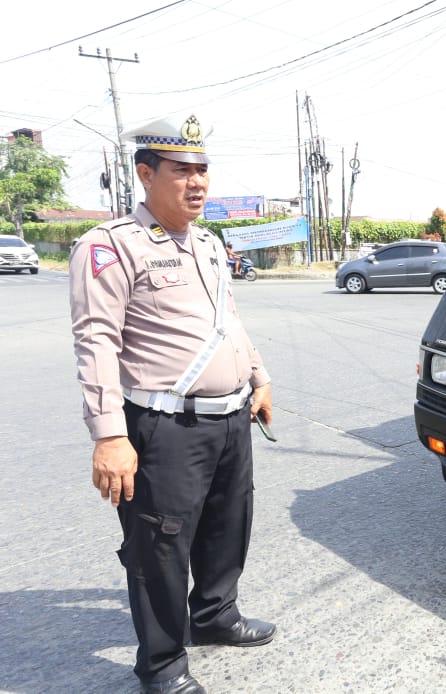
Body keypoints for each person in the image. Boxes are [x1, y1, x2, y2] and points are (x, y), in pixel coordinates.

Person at [69, 113, 275, 694]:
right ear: (145, 174)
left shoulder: (208, 244)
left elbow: (226, 320)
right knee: (159, 547)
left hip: (231, 417)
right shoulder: (111, 247)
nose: (197, 182)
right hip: (163, 427)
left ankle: (215, 616)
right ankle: (161, 665)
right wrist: (110, 436)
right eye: (182, 170)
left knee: (227, 526)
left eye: (203, 170)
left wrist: (258, 375)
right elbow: (96, 342)